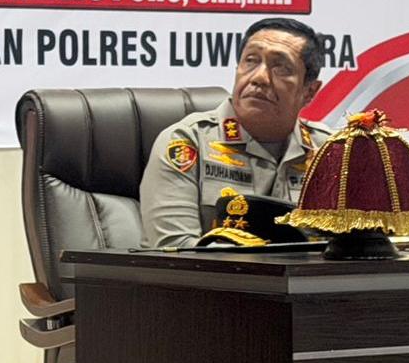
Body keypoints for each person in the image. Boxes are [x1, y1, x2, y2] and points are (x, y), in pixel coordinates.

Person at [140, 17, 331, 249]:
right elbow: (177, 249)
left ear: (309, 91)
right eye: (251, 61)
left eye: (281, 67)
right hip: (212, 274)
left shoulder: (331, 153)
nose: (259, 77)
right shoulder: (188, 142)